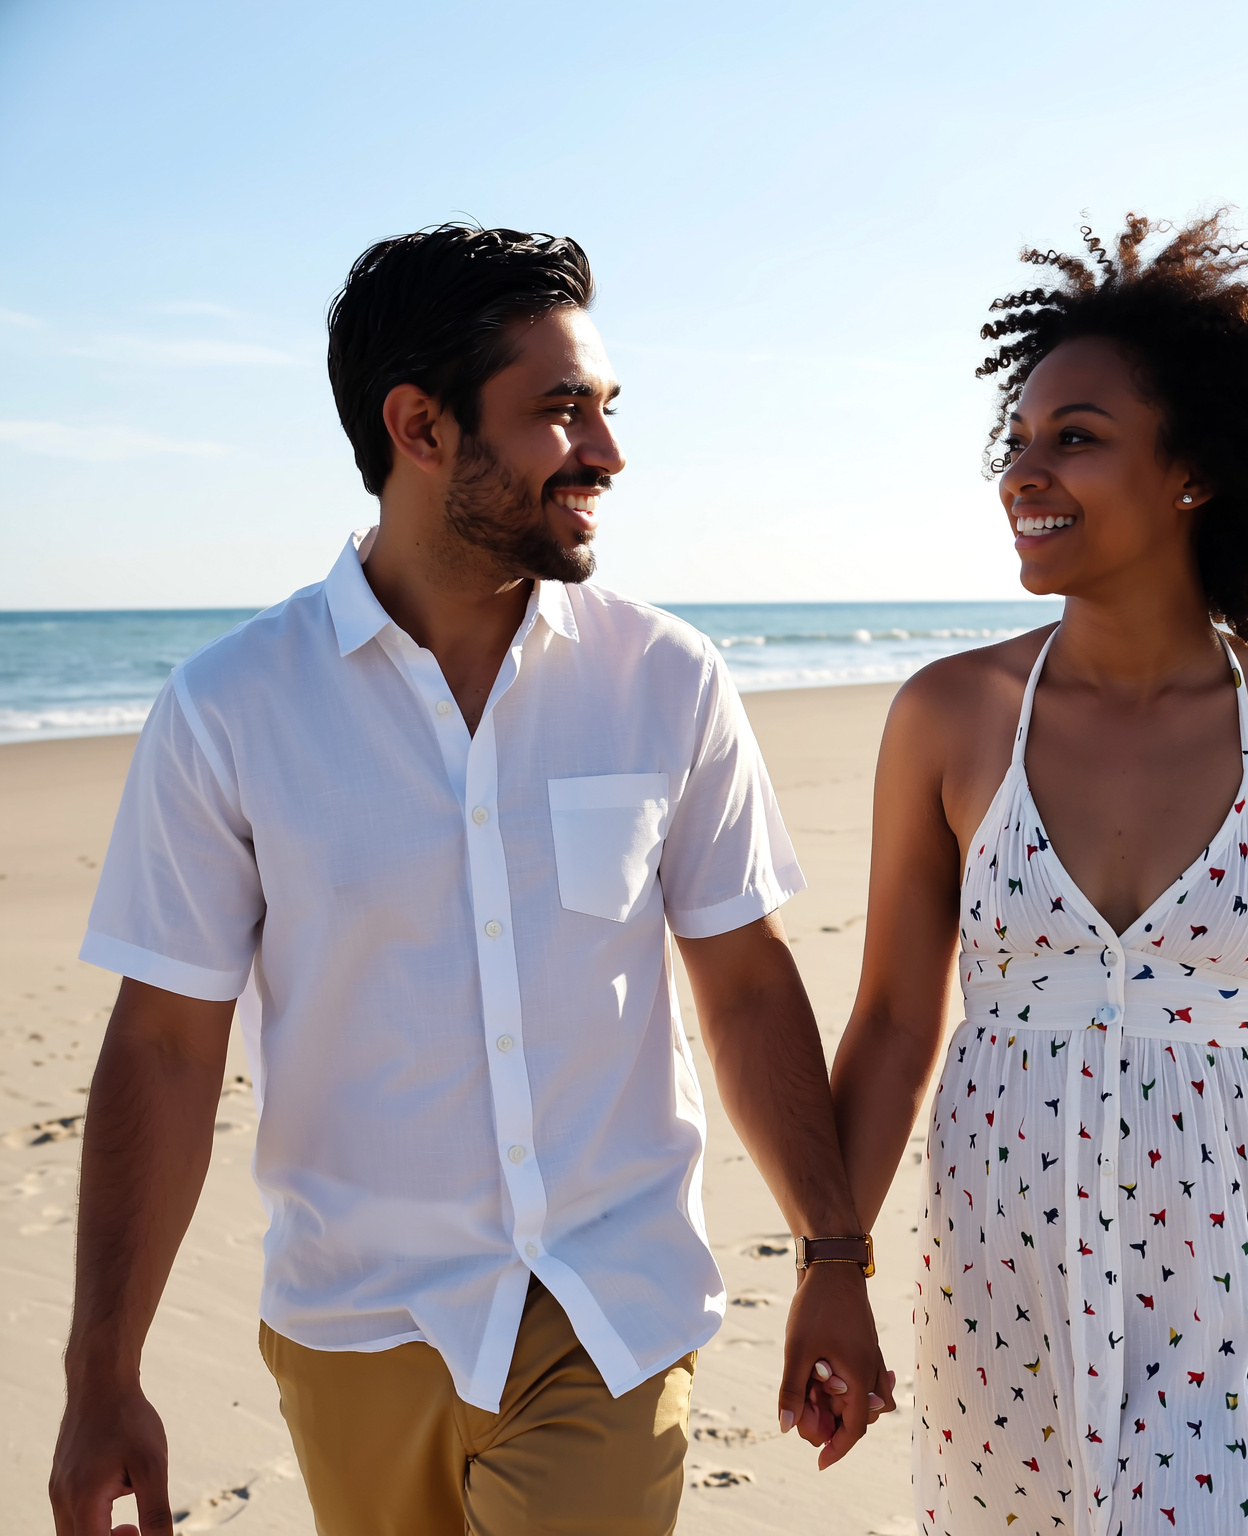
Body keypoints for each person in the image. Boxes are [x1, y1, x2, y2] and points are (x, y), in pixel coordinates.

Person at [48, 224, 890, 1536]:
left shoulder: (665, 680)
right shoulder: (230, 710)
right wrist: (102, 1370)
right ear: (420, 427)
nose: (608, 452)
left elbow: (742, 981)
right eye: (562, 412)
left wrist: (833, 1255)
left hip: (608, 1313)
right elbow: (163, 1043)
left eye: (607, 409)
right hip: (354, 1325)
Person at [829, 214, 1248, 1536]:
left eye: (1073, 437)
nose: (1025, 471)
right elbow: (898, 1020)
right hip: (1000, 1265)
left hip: (1237, 1264)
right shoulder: (951, 715)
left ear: (1193, 470)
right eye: (1017, 441)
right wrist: (831, 1264)